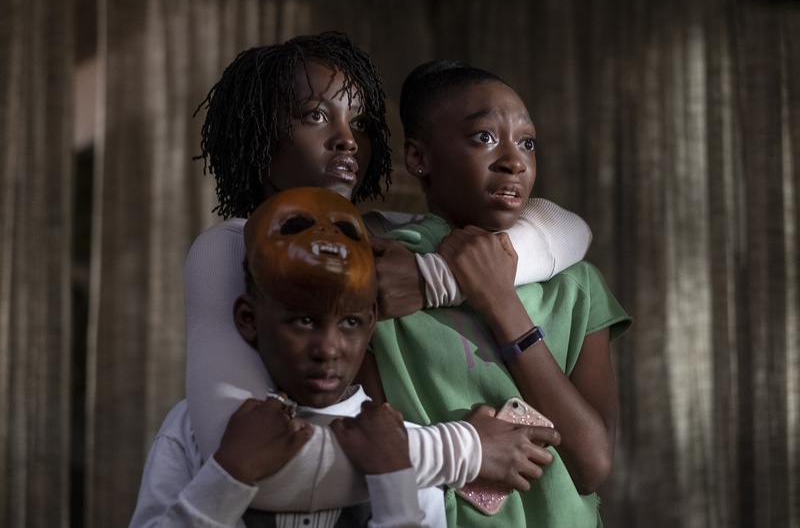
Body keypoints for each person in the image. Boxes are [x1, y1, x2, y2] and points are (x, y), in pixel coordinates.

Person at [185, 32, 591, 511]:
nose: (347, 139)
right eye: (316, 115)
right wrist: (466, 449)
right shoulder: (228, 247)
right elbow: (249, 468)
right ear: (257, 134)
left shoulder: (382, 237)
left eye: (359, 123)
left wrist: (433, 279)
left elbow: (569, 229)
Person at [132, 187, 510, 526]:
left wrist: (393, 478)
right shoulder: (194, 430)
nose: (328, 349)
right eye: (304, 320)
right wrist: (227, 473)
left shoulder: (399, 443)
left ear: (371, 322)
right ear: (249, 319)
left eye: (350, 322)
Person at [361, 61, 633, 527]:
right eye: (484, 137)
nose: (514, 161)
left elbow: (591, 466)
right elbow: (368, 451)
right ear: (418, 157)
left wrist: (502, 303)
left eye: (527, 142)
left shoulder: (577, 286)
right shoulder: (384, 275)